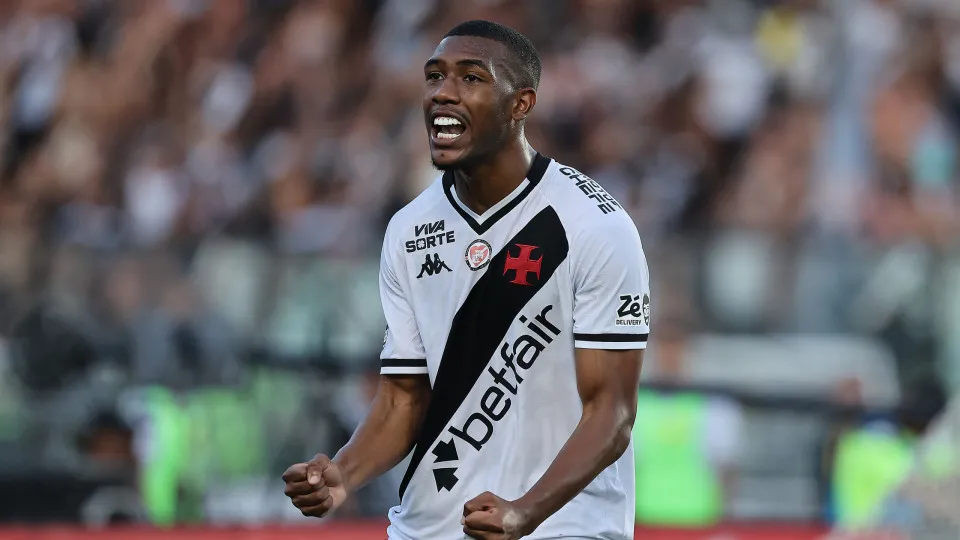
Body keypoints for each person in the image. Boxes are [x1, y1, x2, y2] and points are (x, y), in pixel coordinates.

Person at [282, 20, 651, 540]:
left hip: (563, 528)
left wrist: (525, 511)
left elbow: (612, 413)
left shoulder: (595, 226)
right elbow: (404, 398)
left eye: (471, 78)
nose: (443, 93)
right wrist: (344, 473)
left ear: (521, 104)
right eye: (434, 76)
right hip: (429, 529)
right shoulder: (408, 230)